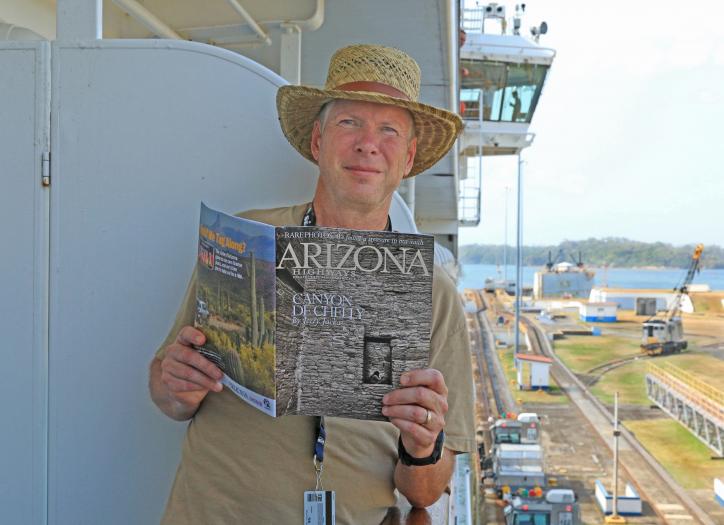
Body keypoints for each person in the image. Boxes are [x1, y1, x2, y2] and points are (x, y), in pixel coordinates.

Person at [149, 44, 475, 524]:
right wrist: (174, 385)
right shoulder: (244, 244)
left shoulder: (434, 294)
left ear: (407, 159)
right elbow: (165, 391)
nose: (368, 144)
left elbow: (425, 493)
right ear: (318, 143)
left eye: (388, 130)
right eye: (350, 124)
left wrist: (422, 446)